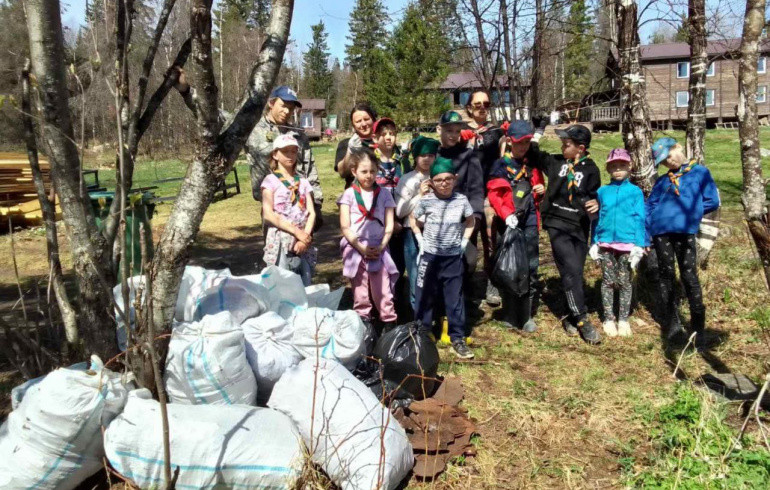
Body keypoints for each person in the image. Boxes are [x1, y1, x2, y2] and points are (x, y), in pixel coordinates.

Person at [525, 123, 602, 345]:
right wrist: (538, 131)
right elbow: (533, 152)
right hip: (557, 224)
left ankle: (570, 314)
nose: (562, 146)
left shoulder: (591, 169)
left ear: (581, 147)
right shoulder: (556, 162)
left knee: (575, 271)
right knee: (571, 272)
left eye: (566, 144)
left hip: (579, 226)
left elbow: (595, 194)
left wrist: (597, 202)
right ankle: (581, 318)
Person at [647, 137, 720, 351]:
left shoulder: (700, 173)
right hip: (661, 233)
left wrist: (693, 214)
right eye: (663, 162)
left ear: (678, 148)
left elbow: (712, 201)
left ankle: (698, 329)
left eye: (669, 156)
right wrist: (650, 225)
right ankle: (673, 325)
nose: (668, 162)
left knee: (689, 276)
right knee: (666, 275)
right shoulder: (663, 181)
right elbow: (650, 204)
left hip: (685, 231)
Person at [411, 156, 476, 359]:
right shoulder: (426, 201)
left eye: (448, 179)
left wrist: (464, 243)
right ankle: (423, 334)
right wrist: (419, 239)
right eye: (439, 180)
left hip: (452, 258)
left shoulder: (461, 201)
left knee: (454, 298)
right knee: (425, 296)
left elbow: (471, 222)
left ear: (455, 179)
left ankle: (457, 338)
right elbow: (413, 219)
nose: (444, 183)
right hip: (430, 257)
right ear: (431, 182)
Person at [486, 121, 546, 332]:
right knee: (510, 268)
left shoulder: (532, 165)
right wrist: (506, 214)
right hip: (509, 223)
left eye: (527, 142)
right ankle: (510, 313)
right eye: (520, 143)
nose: (523, 147)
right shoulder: (500, 166)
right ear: (510, 141)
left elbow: (538, 188)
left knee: (530, 267)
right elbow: (495, 194)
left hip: (529, 223)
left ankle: (526, 314)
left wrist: (540, 189)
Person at [588, 148, 647, 337]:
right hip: (606, 243)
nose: (618, 169)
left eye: (622, 165)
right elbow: (596, 218)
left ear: (629, 167)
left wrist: (639, 243)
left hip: (628, 244)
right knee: (607, 281)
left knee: (625, 282)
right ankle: (608, 318)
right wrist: (595, 241)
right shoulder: (602, 191)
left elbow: (640, 217)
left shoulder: (635, 192)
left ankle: (623, 319)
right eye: (614, 166)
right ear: (608, 169)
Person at [338, 148, 399, 331]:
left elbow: (389, 225)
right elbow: (345, 226)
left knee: (384, 293)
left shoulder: (385, 194)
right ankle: (364, 331)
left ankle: (388, 329)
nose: (369, 175)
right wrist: (360, 248)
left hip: (379, 249)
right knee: (361, 294)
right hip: (356, 249)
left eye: (373, 171)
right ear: (354, 171)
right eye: (364, 171)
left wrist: (381, 246)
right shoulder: (348, 195)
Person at [437, 110, 486, 320]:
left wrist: (475, 217)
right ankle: (440, 308)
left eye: (457, 131)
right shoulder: (433, 155)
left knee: (469, 261)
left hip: (463, 221)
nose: (452, 135)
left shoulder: (469, 156)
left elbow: (476, 189)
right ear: (440, 130)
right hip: (438, 222)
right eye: (448, 130)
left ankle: (462, 303)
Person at [461, 90, 506, 307]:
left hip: (489, 191)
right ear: (469, 107)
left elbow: (503, 160)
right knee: (466, 238)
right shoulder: (460, 131)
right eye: (477, 103)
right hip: (465, 193)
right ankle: (466, 284)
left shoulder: (497, 132)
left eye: (486, 103)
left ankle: (492, 282)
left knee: (490, 236)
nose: (482, 107)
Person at [244, 86, 322, 210]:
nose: (287, 111)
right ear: (271, 103)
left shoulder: (298, 135)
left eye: (291, 108)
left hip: (301, 203)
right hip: (272, 204)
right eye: (283, 106)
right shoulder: (252, 130)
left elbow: (310, 167)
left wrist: (317, 201)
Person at [260, 133, 317, 286]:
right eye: (286, 151)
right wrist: (296, 232)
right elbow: (269, 214)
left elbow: (311, 212)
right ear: (275, 154)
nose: (290, 155)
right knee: (282, 283)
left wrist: (303, 237)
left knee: (304, 281)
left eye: (293, 151)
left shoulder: (303, 182)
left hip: (302, 239)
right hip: (280, 239)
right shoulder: (270, 181)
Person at [395, 136, 440, 310]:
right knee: (416, 277)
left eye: (431, 154)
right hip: (412, 234)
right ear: (415, 157)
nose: (427, 159)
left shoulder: (440, 177)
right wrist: (419, 196)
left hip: (436, 232)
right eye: (422, 155)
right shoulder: (408, 180)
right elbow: (400, 211)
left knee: (435, 276)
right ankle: (418, 320)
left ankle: (434, 318)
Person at [336, 103, 377, 187]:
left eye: (366, 119)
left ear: (373, 120)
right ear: (353, 125)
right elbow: (342, 173)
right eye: (358, 121)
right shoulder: (346, 144)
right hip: (355, 195)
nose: (363, 124)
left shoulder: (381, 142)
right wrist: (350, 151)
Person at [373, 117, 403, 198]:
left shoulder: (401, 161)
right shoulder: (370, 160)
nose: (388, 138)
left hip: (397, 206)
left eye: (391, 134)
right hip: (377, 207)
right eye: (383, 134)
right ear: (375, 138)